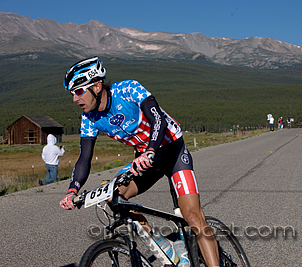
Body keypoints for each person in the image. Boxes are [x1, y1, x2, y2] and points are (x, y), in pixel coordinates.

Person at [58, 57, 220, 266]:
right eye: (72, 94)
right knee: (114, 196)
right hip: (145, 157)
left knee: (193, 217)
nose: (74, 99)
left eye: (79, 91)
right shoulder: (89, 117)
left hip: (171, 149)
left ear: (97, 86)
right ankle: (164, 248)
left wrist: (151, 149)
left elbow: (158, 119)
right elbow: (84, 158)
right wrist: (73, 190)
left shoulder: (127, 89)